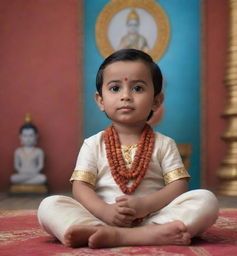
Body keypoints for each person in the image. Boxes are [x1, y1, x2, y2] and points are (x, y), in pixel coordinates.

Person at [37, 49, 219, 249]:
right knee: (49, 206)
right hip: (102, 218)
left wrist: (145, 206)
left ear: (156, 101)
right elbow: (80, 187)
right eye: (115, 88)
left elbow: (179, 185)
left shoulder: (164, 143)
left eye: (138, 88)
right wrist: (105, 211)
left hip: (154, 218)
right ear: (100, 101)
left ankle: (123, 236)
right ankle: (115, 232)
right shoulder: (93, 144)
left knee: (206, 201)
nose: (126, 96)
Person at [11, 116, 46, 185]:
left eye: (31, 135)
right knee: (13, 178)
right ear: (20, 137)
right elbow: (17, 166)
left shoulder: (39, 151)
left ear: (36, 136)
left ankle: (23, 184)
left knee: (42, 178)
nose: (28, 138)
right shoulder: (18, 151)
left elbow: (40, 165)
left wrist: (34, 172)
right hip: (22, 174)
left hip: (34, 174)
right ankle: (29, 183)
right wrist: (22, 172)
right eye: (25, 136)